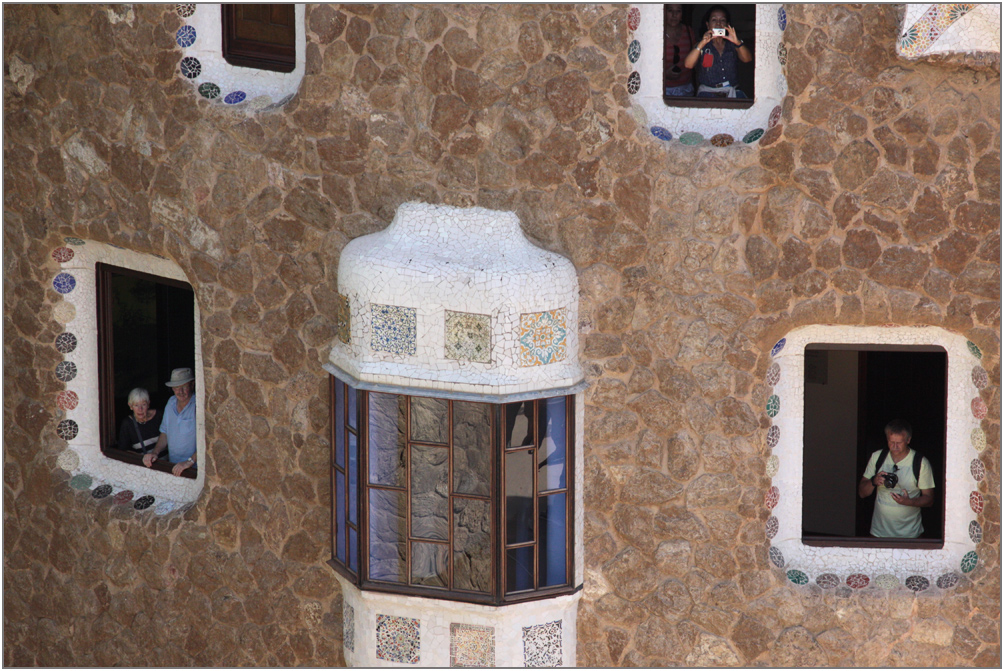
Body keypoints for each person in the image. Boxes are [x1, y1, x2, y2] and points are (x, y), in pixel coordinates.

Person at [857, 419, 935, 538]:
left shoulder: (920, 463)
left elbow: (929, 499)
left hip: (910, 534)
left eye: (899, 442)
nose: (894, 446)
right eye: (891, 441)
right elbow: (862, 493)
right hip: (879, 533)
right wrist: (874, 481)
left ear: (908, 440)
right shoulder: (877, 457)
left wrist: (909, 502)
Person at [683, 5, 753, 98]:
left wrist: (737, 41)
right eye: (714, 20)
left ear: (727, 24)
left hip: (731, 92)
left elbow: (747, 59)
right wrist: (702, 43)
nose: (718, 23)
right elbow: (688, 64)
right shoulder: (702, 45)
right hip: (707, 93)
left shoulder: (733, 44)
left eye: (722, 20)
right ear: (707, 25)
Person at [143, 367, 198, 476]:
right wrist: (155, 453)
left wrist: (189, 462)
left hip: (193, 469)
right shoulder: (171, 402)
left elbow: (207, 441)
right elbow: (165, 433)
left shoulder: (198, 405)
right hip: (173, 466)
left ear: (192, 385)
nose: (180, 392)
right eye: (176, 387)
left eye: (184, 387)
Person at [663, 4, 696, 96]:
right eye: (670, 11)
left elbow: (695, 59)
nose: (674, 15)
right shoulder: (657, 32)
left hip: (686, 90)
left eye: (678, 11)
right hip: (663, 90)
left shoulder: (689, 32)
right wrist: (664, 74)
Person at [117, 387, 159, 454]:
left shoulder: (159, 416)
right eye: (136, 405)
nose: (140, 409)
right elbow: (123, 450)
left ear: (148, 404)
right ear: (130, 406)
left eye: (143, 404)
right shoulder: (127, 424)